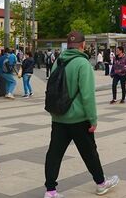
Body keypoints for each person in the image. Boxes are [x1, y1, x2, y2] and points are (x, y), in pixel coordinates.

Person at [43, 31, 119, 198]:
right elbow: (87, 95)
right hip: (78, 118)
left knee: (54, 154)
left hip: (58, 117)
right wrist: (93, 119)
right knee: (90, 152)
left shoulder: (58, 61)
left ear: (68, 45)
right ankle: (100, 183)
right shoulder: (82, 64)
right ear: (83, 45)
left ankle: (50, 190)